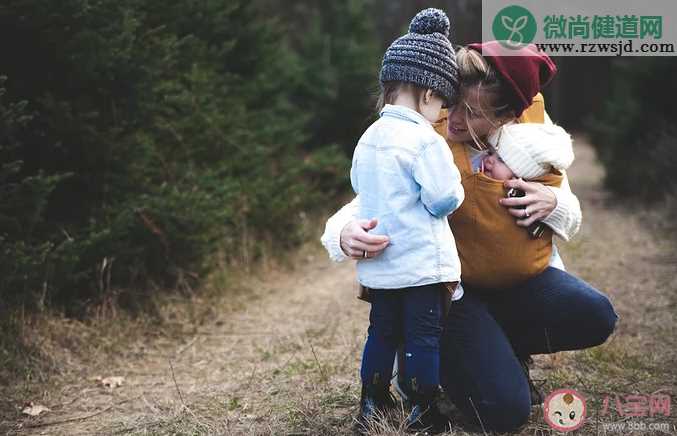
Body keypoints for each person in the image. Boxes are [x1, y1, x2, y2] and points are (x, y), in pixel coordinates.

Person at [321, 41, 618, 432]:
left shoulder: (532, 138)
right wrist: (342, 233)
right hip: (450, 294)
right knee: (504, 412)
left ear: (507, 116)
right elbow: (372, 197)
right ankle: (439, 354)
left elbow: (569, 208)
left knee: (596, 314)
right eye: (454, 103)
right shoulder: (426, 134)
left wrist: (554, 203)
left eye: (472, 113)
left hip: (516, 284)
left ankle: (496, 349)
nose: (454, 118)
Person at [350, 8, 463, 432]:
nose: (442, 114)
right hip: (420, 266)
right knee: (421, 339)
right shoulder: (423, 139)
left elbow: (361, 187)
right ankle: (422, 407)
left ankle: (372, 402)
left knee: (381, 334)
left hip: (381, 267)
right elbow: (443, 199)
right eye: (444, 104)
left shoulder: (369, 137)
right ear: (429, 93)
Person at [453, 121, 575, 290]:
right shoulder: (466, 167)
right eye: (490, 153)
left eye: (501, 160)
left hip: (533, 275)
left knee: (597, 308)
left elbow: (572, 220)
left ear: (523, 177)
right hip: (471, 279)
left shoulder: (537, 182)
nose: (488, 161)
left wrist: (555, 203)